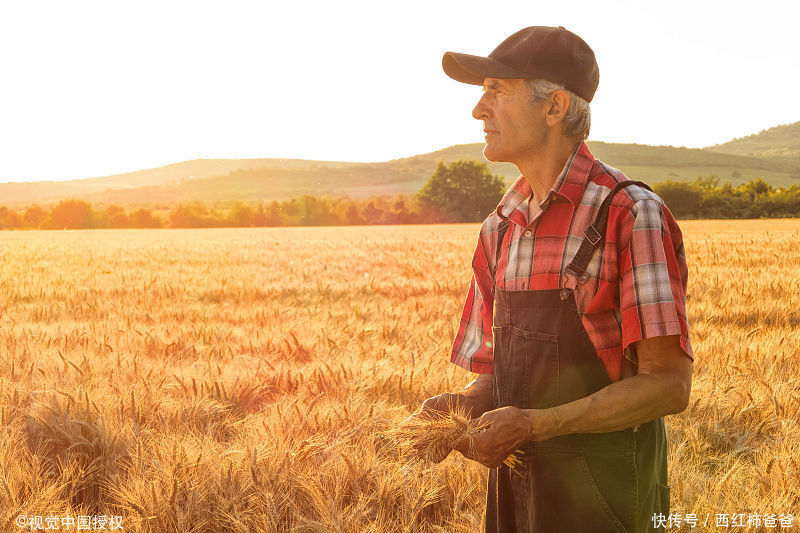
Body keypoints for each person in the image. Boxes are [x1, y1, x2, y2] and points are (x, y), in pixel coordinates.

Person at [408, 26, 694, 532]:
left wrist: (533, 427)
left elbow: (667, 386)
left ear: (555, 106)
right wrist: (463, 407)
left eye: (497, 90)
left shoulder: (629, 214)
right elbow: (502, 375)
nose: (479, 109)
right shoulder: (500, 228)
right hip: (516, 499)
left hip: (608, 498)